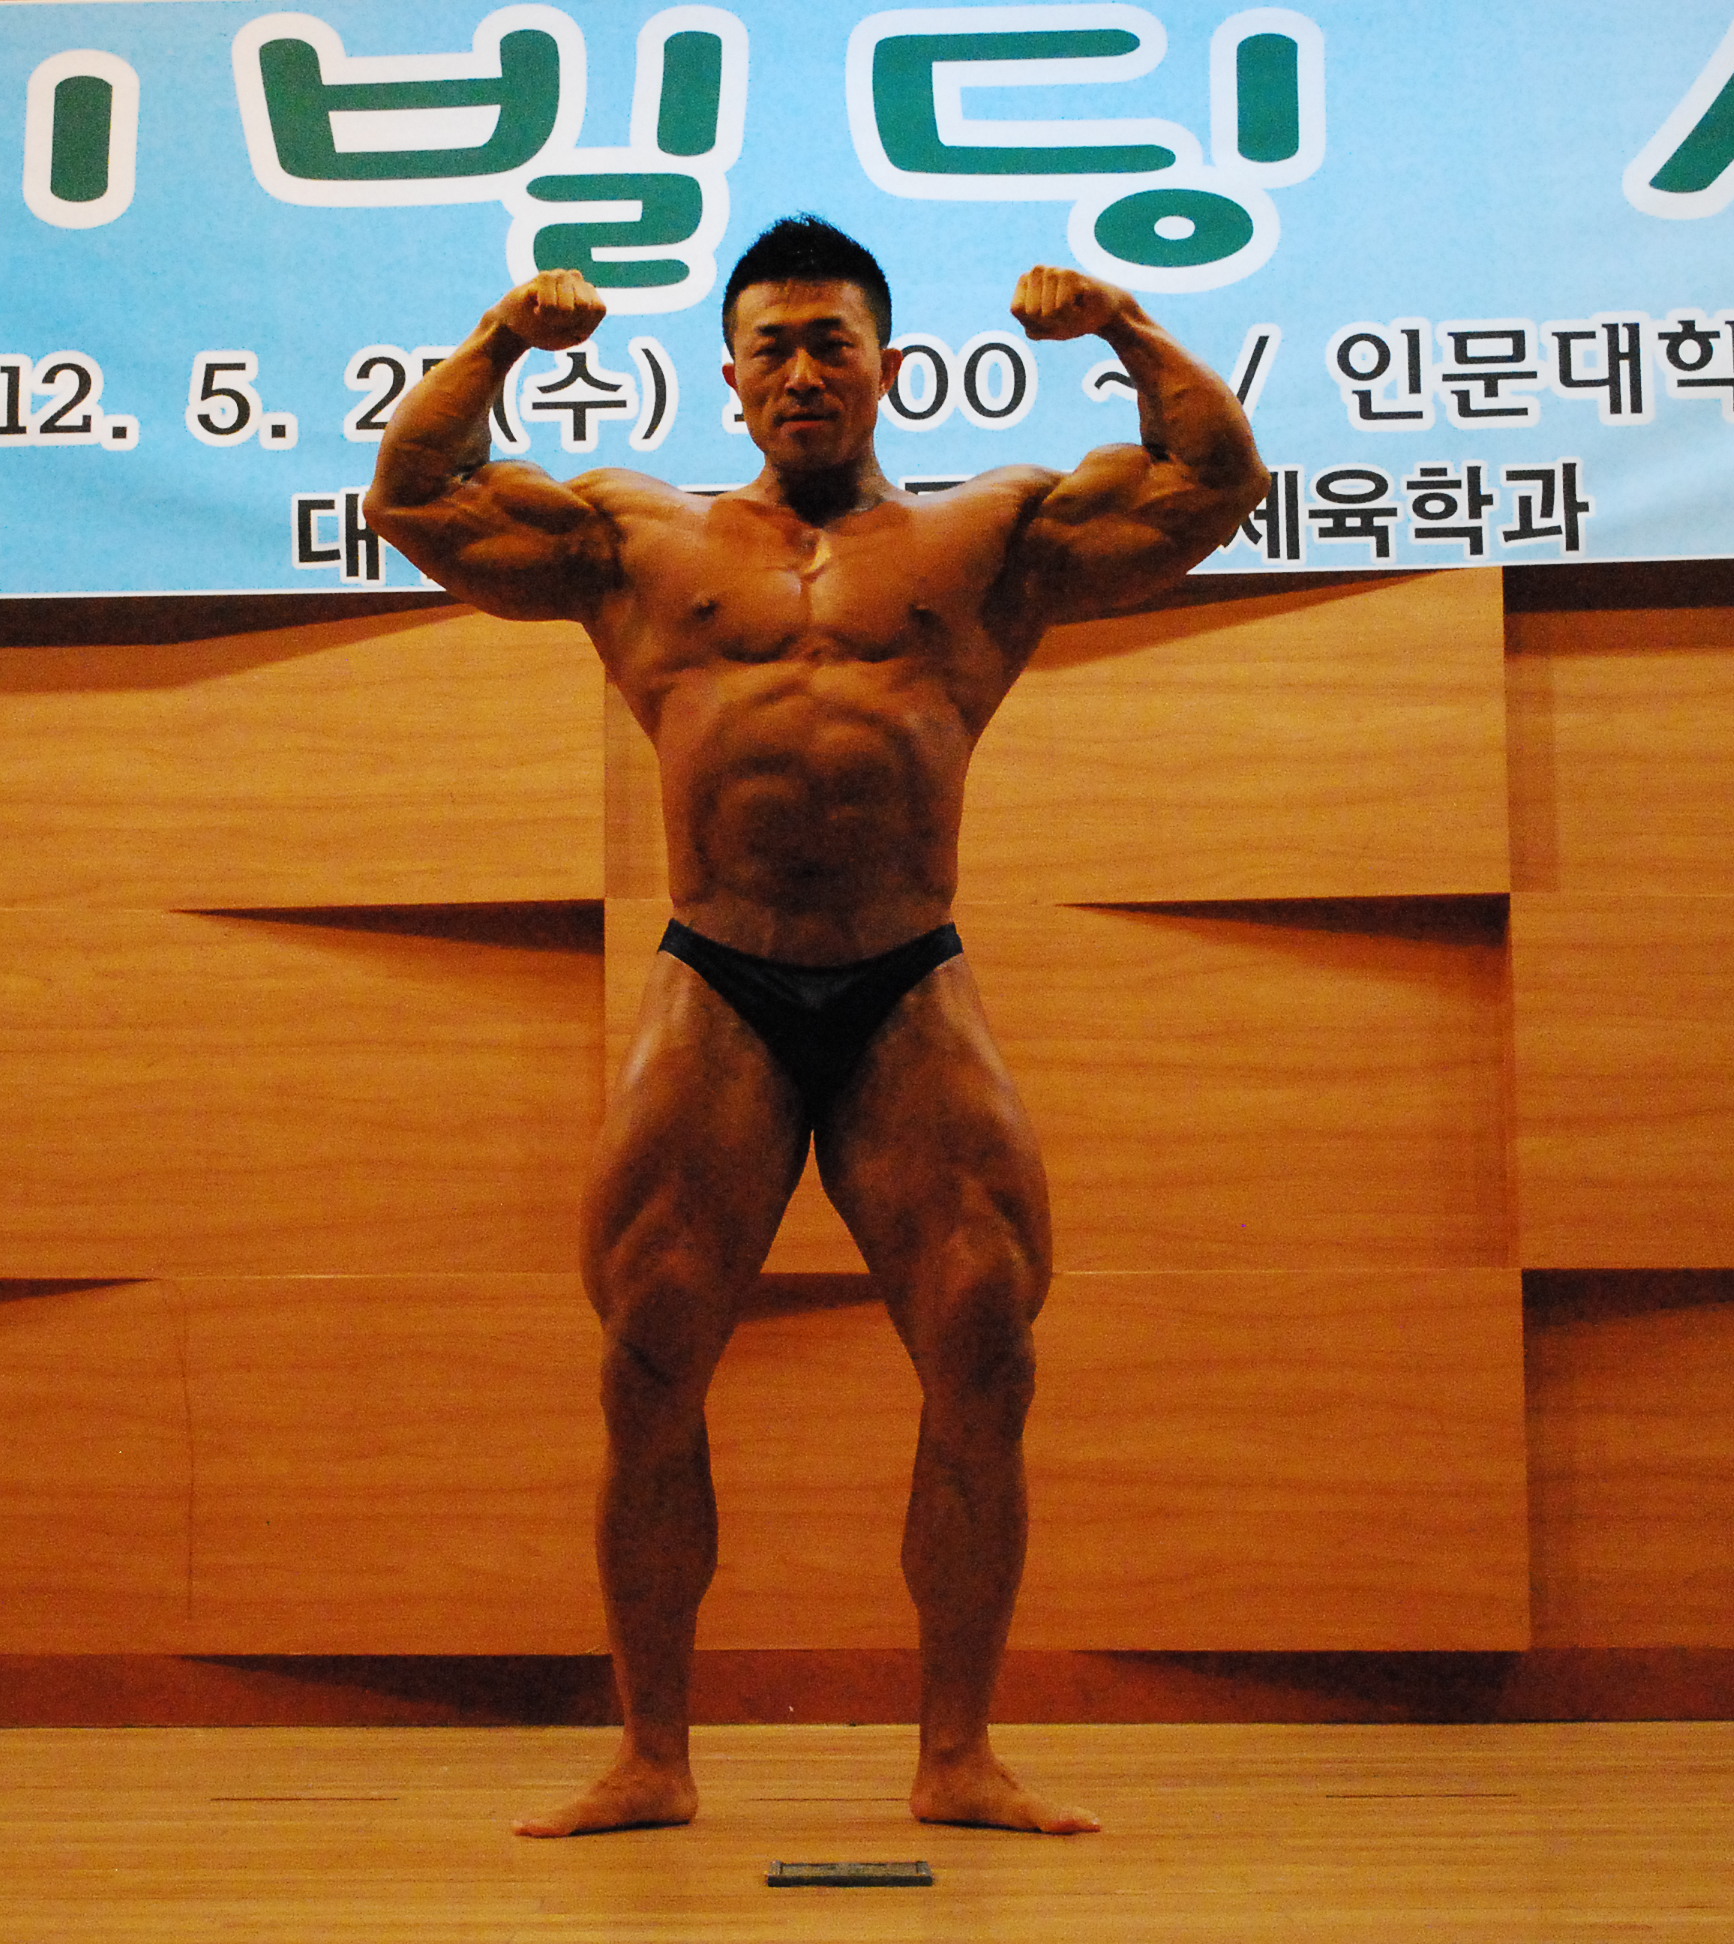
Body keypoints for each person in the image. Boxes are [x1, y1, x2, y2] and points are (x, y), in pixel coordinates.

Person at [363, 215, 1264, 1837]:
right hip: (720, 975)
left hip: (905, 977)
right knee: (648, 1356)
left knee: (985, 1343)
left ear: (886, 366)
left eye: (829, 343)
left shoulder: (990, 536)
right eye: (770, 347)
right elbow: (416, 500)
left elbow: (1213, 483)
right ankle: (651, 1757)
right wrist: (499, 342)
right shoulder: (637, 538)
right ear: (728, 377)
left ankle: (957, 1756)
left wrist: (1123, 326)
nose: (800, 372)